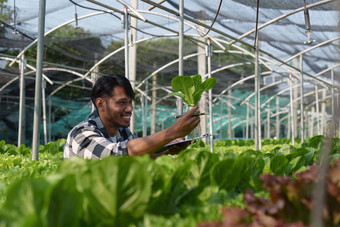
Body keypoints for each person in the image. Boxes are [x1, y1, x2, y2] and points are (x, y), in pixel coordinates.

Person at [63, 74, 201, 159]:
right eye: (122, 102)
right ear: (101, 104)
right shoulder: (82, 134)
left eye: (130, 102)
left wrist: (168, 150)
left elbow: (143, 158)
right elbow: (116, 154)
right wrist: (172, 132)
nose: (129, 109)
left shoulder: (122, 132)